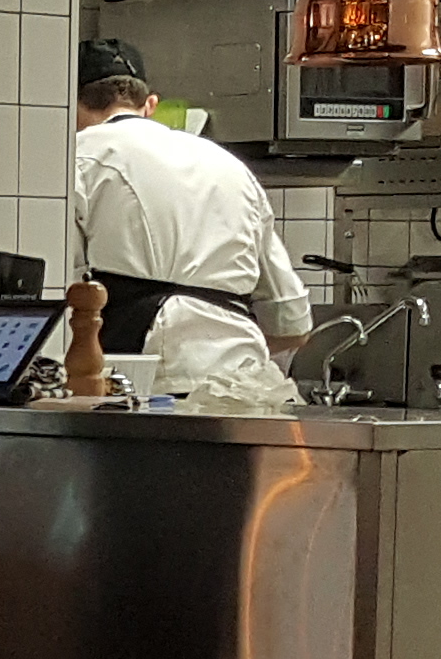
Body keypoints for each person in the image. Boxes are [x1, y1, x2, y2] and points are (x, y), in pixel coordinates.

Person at [72, 37, 310, 413]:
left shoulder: (78, 158)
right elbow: (291, 322)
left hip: (146, 385)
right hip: (246, 385)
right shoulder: (230, 166)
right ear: (150, 104)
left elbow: (65, 295)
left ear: (70, 104)